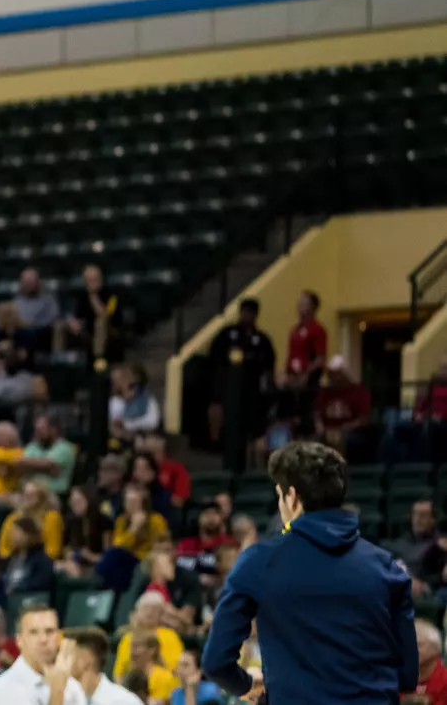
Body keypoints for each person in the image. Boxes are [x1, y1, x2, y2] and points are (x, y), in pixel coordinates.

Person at [202, 441, 417, 705]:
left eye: (279, 496)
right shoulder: (387, 567)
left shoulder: (258, 562)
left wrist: (247, 686)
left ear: (292, 497)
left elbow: (216, 662)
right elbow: (407, 676)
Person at [206, 299, 275, 446]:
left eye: (250, 312)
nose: (246, 315)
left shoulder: (261, 339)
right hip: (225, 384)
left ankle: (251, 441)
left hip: (252, 387)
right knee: (216, 407)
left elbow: (269, 363)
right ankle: (215, 443)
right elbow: (214, 354)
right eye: (244, 311)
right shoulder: (227, 333)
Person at [0, 604, 81, 705]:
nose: (43, 639)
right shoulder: (5, 688)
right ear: (19, 640)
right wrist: (57, 692)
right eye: (33, 632)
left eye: (50, 631)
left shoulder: (72, 687)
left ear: (58, 637)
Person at [64, 627, 138, 705]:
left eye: (67, 655)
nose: (60, 662)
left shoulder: (124, 702)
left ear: (86, 660)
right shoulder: (66, 698)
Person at [21, 417, 76, 495]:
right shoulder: (32, 446)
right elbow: (21, 464)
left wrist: (32, 467)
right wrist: (46, 469)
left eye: (42, 429)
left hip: (56, 494)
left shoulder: (65, 448)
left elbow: (48, 464)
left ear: (53, 430)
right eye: (36, 430)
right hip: (31, 492)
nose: (38, 433)